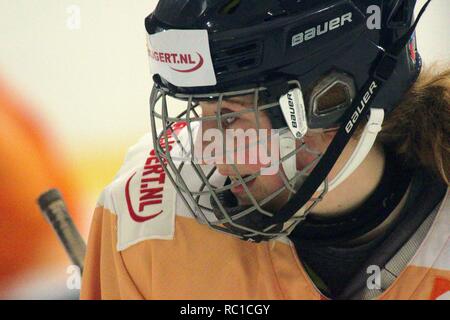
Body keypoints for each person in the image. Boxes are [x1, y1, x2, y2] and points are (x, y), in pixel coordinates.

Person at [81, 0, 449, 300]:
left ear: (330, 100)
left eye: (229, 118)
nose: (216, 162)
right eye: (199, 113)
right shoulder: (147, 225)